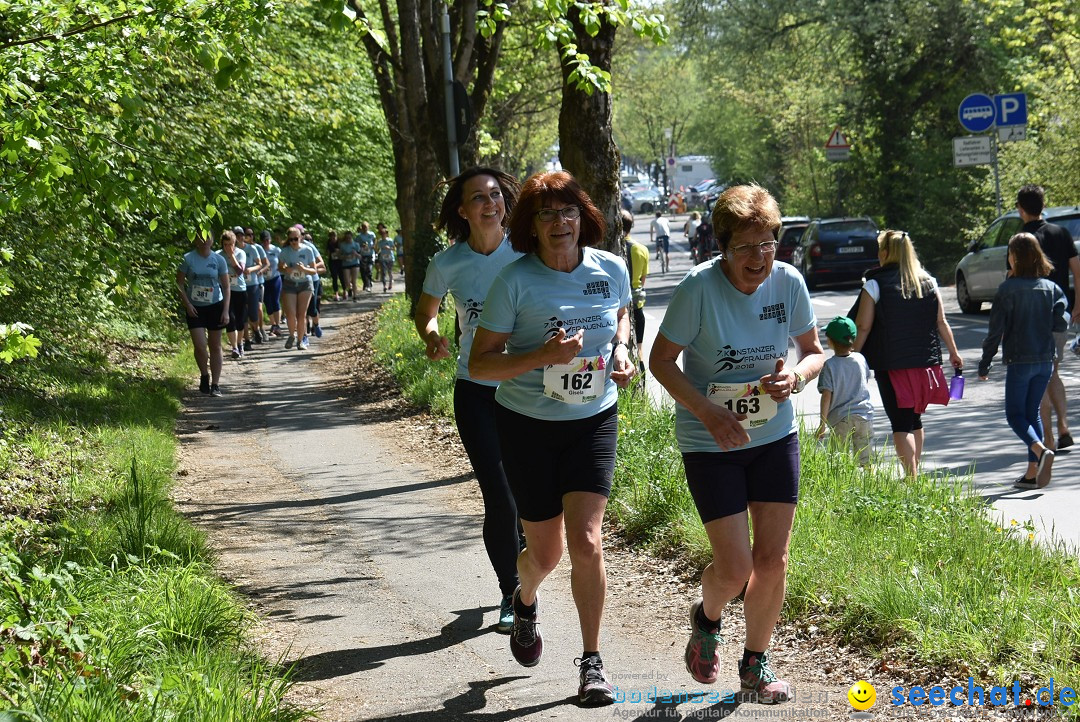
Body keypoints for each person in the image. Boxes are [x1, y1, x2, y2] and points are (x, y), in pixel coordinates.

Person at [649, 184, 823, 705]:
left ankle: (755, 666)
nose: (759, 258)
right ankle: (706, 617)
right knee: (736, 568)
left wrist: (794, 377)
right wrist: (707, 410)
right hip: (710, 440)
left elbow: (814, 353)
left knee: (773, 561)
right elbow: (660, 362)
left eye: (768, 243)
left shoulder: (789, 282)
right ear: (722, 247)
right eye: (746, 247)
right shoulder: (698, 289)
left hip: (773, 435)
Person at [469, 170, 636, 706]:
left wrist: (623, 351)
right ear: (531, 227)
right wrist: (545, 356)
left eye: (568, 212)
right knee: (545, 554)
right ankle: (525, 598)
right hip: (527, 426)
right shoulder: (514, 281)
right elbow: (480, 362)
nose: (559, 223)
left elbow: (622, 316)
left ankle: (591, 663)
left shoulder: (610, 267)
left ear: (583, 219)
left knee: (587, 541)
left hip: (592, 419)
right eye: (546, 214)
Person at [415, 167, 524, 636]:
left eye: (495, 195)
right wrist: (433, 336)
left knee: (525, 493)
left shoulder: (527, 252)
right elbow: (425, 312)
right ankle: (512, 590)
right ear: (462, 210)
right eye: (477, 197)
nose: (488, 204)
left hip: (531, 389)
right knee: (499, 494)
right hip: (475, 389)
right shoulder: (448, 262)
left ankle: (524, 561)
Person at [852, 230, 963, 478]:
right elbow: (941, 322)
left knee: (900, 425)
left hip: (892, 366)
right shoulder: (928, 282)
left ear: (884, 253)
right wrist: (954, 352)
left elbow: (863, 326)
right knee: (915, 420)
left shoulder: (874, 284)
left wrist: (853, 357)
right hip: (924, 364)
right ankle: (915, 472)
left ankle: (911, 479)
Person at [978, 233, 1068, 489]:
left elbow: (995, 331)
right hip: (1045, 361)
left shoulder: (1007, 290)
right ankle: (1031, 474)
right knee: (1032, 414)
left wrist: (985, 363)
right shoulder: (1052, 288)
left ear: (1014, 257)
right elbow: (1060, 323)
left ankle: (1041, 451)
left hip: (1020, 361)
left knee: (1015, 415)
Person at [1016, 185, 1080, 452]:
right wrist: (1077, 306)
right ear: (1043, 205)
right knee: (1053, 370)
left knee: (1038, 375)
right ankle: (1063, 427)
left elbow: (1014, 281)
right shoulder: (1061, 232)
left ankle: (1048, 437)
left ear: (1021, 209)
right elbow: (1077, 271)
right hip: (1061, 313)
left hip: (1032, 317)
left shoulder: (1020, 239)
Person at [815, 316, 874, 466]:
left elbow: (826, 395)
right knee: (866, 459)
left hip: (840, 419)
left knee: (838, 459)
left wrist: (822, 424)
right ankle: (868, 483)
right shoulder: (860, 359)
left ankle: (842, 485)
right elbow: (865, 381)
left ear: (830, 342)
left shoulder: (829, 366)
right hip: (863, 417)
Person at [176, 231, 230, 396]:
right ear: (195, 240)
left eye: (208, 237)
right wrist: (187, 303)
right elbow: (179, 283)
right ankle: (204, 375)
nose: (204, 241)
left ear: (212, 240)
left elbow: (226, 286)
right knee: (200, 346)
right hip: (195, 308)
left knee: (215, 346)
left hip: (215, 305)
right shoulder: (188, 258)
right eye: (201, 237)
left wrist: (226, 311)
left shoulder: (219, 259)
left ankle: (215, 384)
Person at [279, 227, 317, 350]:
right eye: (291, 240)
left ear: (301, 237)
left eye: (296, 239)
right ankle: (291, 335)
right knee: (291, 314)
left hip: (305, 284)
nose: (294, 242)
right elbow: (279, 268)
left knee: (302, 314)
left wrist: (304, 269)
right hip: (290, 283)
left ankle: (301, 341)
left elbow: (314, 270)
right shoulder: (285, 251)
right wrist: (286, 269)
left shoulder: (308, 250)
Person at [622, 209, 649, 368]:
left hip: (620, 308)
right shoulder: (641, 249)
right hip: (637, 306)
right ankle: (641, 382)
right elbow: (643, 279)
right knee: (639, 349)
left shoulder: (612, 249)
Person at [218, 229, 248, 360]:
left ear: (235, 243)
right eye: (225, 244)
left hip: (239, 290)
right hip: (224, 290)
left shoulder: (240, 253)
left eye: (230, 244)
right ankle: (234, 347)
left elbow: (240, 271)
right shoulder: (218, 255)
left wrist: (231, 256)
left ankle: (240, 343)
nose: (227, 247)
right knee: (230, 319)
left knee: (240, 321)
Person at [260, 230, 283, 337]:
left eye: (267, 240)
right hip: (263, 280)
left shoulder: (276, 250)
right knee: (267, 302)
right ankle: (273, 323)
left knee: (275, 301)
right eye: (264, 240)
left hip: (275, 277)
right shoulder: (259, 250)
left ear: (270, 239)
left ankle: (277, 325)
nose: (266, 242)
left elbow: (282, 262)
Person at [338, 230, 361, 300]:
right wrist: (344, 257)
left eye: (349, 238)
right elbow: (339, 255)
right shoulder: (342, 245)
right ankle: (350, 288)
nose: (348, 239)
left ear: (352, 237)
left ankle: (355, 295)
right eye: (347, 238)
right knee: (347, 281)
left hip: (355, 263)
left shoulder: (356, 244)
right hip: (346, 264)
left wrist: (355, 254)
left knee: (354, 280)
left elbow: (360, 256)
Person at [376, 223, 396, 292]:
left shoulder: (390, 240)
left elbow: (394, 249)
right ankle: (384, 286)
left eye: (384, 233)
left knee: (389, 271)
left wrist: (389, 248)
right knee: (383, 272)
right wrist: (378, 249)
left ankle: (390, 283)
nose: (383, 235)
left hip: (390, 258)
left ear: (386, 234)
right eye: (382, 234)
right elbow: (377, 250)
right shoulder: (380, 242)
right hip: (382, 258)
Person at [326, 230, 345, 302]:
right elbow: (327, 252)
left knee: (341, 277)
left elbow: (343, 251)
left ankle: (344, 291)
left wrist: (339, 252)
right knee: (334, 277)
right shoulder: (328, 243)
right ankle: (336, 294)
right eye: (332, 236)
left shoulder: (339, 243)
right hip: (332, 262)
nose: (333, 238)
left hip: (339, 261)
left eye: (334, 236)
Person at [357, 222, 376, 292]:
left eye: (366, 227)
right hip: (362, 254)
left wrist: (373, 246)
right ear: (362, 228)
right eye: (363, 227)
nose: (365, 228)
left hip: (370, 254)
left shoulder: (371, 234)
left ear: (368, 227)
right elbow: (356, 244)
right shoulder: (359, 236)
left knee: (369, 269)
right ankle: (366, 283)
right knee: (363, 270)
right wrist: (361, 246)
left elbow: (374, 241)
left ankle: (369, 283)